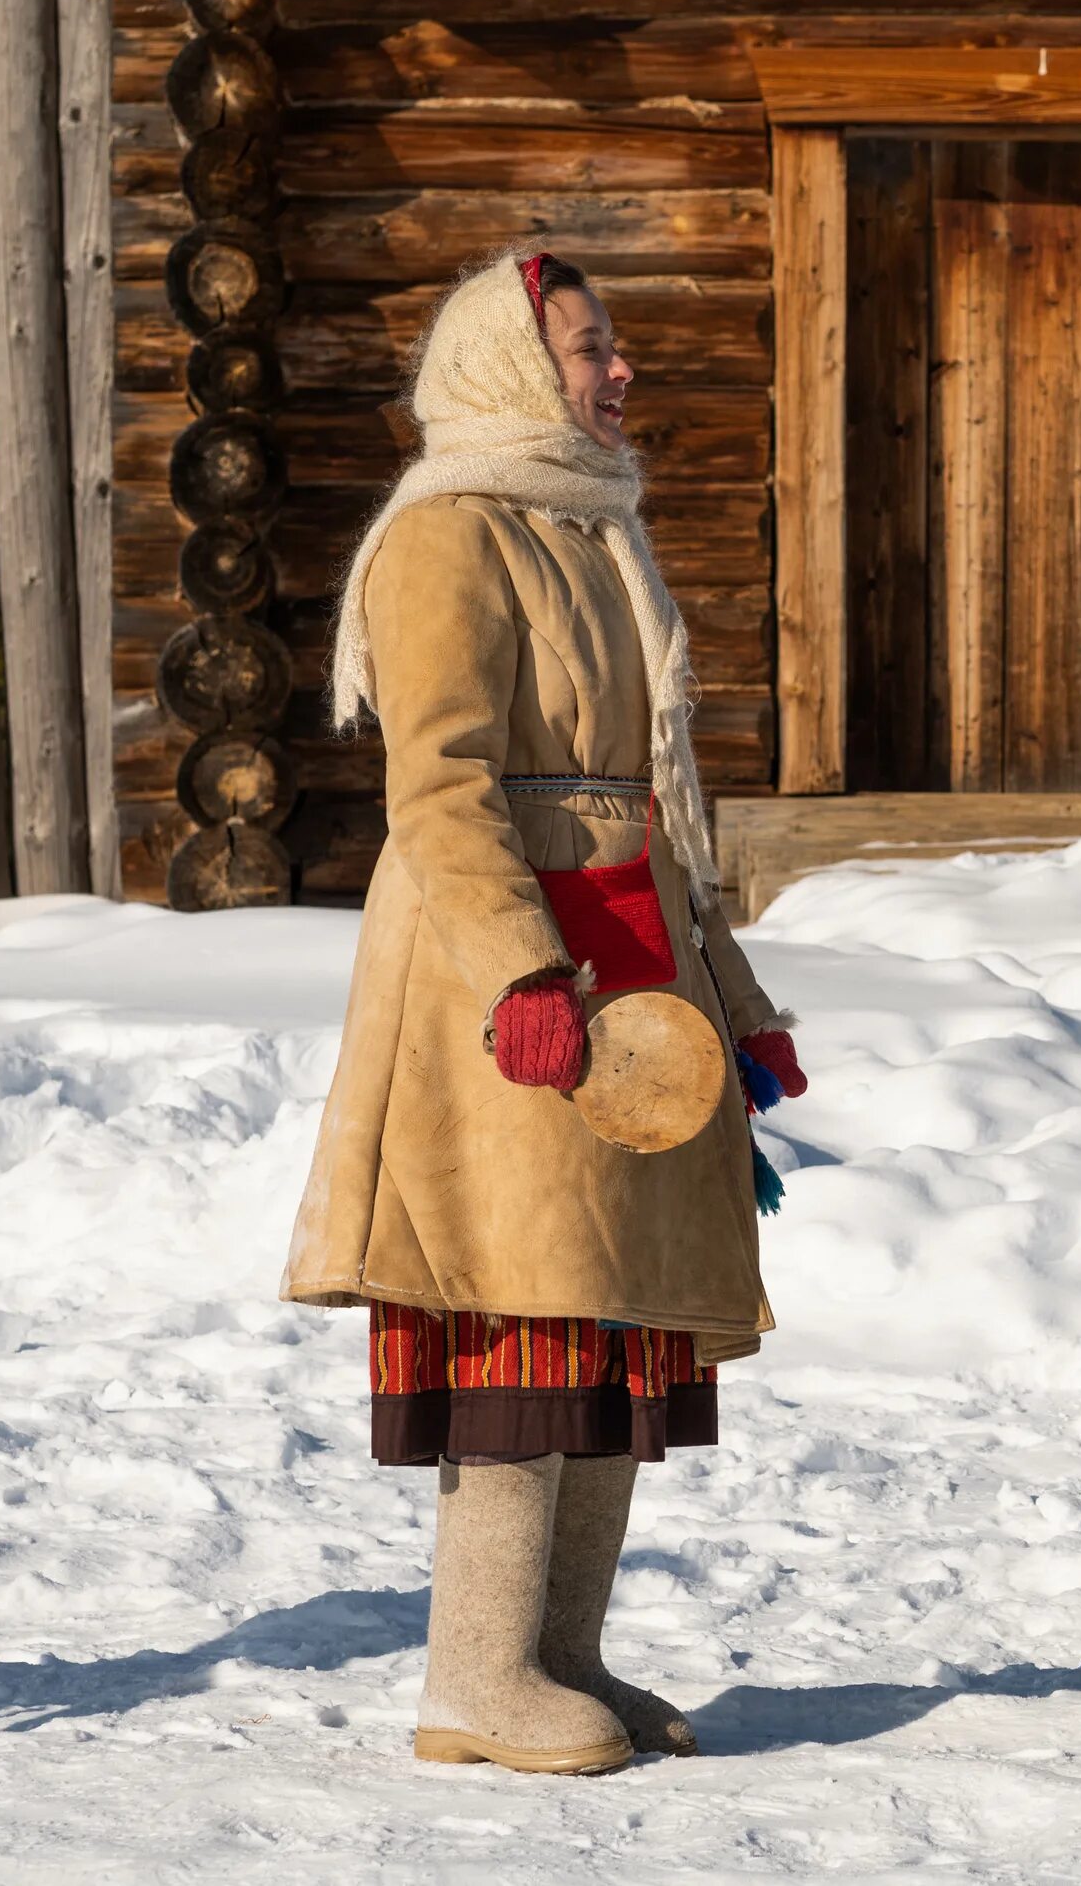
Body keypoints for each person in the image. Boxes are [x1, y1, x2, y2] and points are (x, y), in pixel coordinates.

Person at [278, 246, 806, 1776]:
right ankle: (475, 1678)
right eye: (589, 348)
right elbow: (439, 786)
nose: (619, 370)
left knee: (612, 1318)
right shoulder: (447, 538)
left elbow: (655, 809)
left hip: (636, 972)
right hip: (498, 991)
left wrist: (738, 1001)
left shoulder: (595, 533)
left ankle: (561, 1659)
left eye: (615, 344)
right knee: (517, 1310)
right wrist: (519, 970)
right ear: (513, 369)